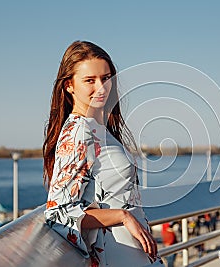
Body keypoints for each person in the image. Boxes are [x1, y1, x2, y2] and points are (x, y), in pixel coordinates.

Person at [43, 41, 163, 266]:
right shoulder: (79, 131)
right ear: (69, 85)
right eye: (90, 80)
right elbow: (57, 212)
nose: (101, 87)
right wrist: (123, 216)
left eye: (106, 78)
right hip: (118, 255)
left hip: (135, 251)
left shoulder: (98, 128)